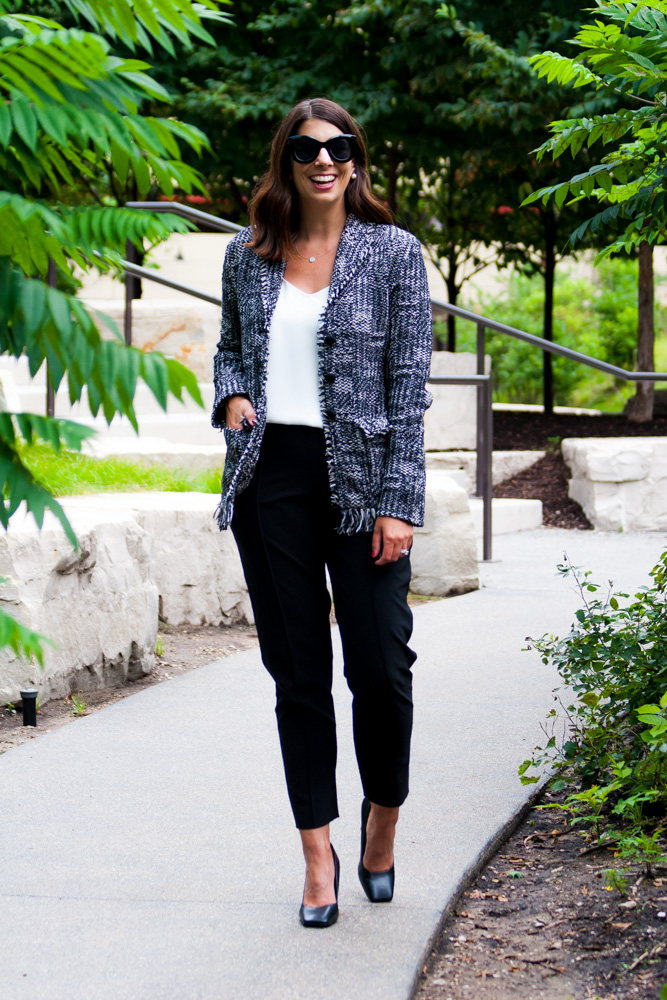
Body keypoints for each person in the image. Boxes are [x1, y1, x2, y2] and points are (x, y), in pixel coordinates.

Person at [211, 98, 432, 928]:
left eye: (339, 147)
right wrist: (232, 392)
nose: (324, 160)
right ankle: (316, 858)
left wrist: (398, 501)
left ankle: (381, 823)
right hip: (271, 478)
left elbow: (409, 387)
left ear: (356, 158)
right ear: (287, 160)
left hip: (366, 483)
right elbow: (231, 345)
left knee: (380, 670)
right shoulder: (248, 254)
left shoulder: (394, 254)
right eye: (308, 149)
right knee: (298, 676)